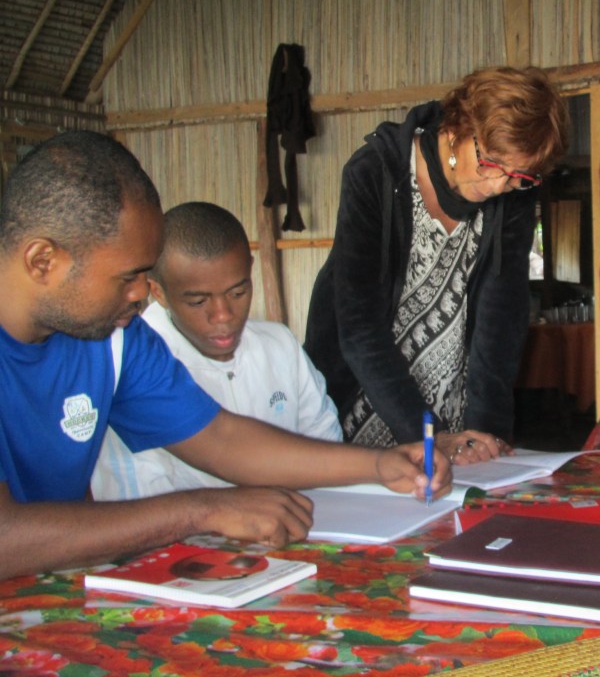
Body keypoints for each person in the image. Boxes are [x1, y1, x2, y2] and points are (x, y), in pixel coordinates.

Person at [0, 131, 448, 581]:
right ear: (43, 262)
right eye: (127, 277)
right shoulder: (104, 331)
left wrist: (376, 465)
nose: (141, 294)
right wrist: (201, 510)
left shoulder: (111, 340)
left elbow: (220, 438)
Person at [304, 66, 569, 463]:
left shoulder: (510, 199)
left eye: (517, 176)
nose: (498, 186)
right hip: (362, 399)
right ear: (459, 126)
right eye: (490, 162)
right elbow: (359, 329)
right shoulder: (376, 172)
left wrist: (485, 434)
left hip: (451, 413)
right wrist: (426, 435)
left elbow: (501, 321)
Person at [91, 201, 341, 499]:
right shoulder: (136, 364)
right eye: (198, 302)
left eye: (238, 292)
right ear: (158, 292)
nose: (223, 315)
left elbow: (324, 441)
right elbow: (137, 493)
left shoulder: (279, 346)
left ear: (250, 270)